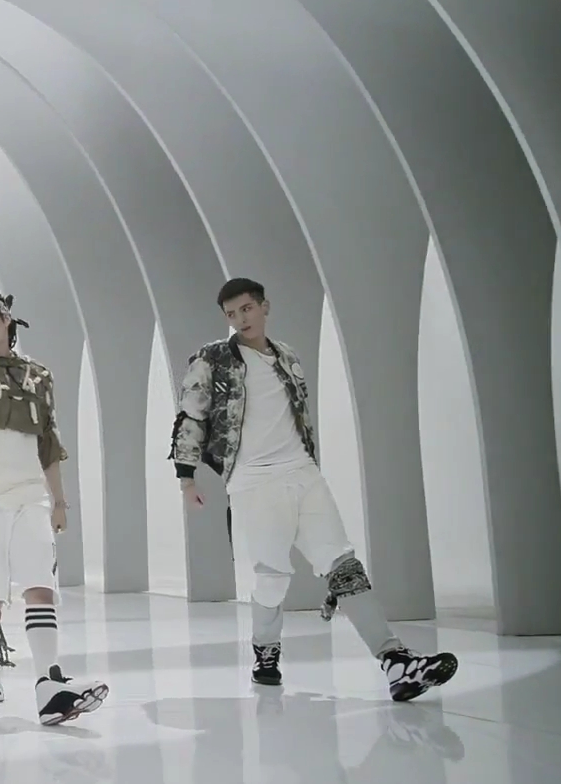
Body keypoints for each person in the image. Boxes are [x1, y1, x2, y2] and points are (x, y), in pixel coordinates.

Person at [171, 277, 458, 701]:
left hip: (303, 473)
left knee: (344, 565)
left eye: (246, 309)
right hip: (254, 479)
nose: (240, 319)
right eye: (231, 314)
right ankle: (266, 655)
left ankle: (395, 660)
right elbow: (191, 416)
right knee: (272, 576)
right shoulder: (212, 359)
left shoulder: (287, 357)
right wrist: (187, 477)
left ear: (264, 307)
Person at [0, 289, 109, 724]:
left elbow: (48, 440)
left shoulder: (38, 375)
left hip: (30, 495)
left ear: (7, 320)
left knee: (40, 587)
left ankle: (49, 685)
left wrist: (59, 501)